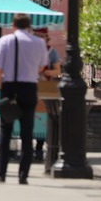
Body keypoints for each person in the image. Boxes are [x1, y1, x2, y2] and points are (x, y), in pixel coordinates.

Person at [0, 14, 49, 185]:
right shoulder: (38, 43)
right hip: (29, 88)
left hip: (9, 87)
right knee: (27, 133)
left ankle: (1, 174)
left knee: (5, 131)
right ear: (29, 26)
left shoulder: (5, 41)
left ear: (13, 25)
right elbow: (42, 66)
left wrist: (1, 87)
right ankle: (23, 176)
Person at [32, 27, 61, 162]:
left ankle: (39, 147)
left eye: (41, 37)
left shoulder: (51, 51)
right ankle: (28, 147)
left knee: (42, 119)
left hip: (44, 88)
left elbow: (57, 70)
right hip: (30, 86)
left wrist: (48, 73)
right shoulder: (28, 48)